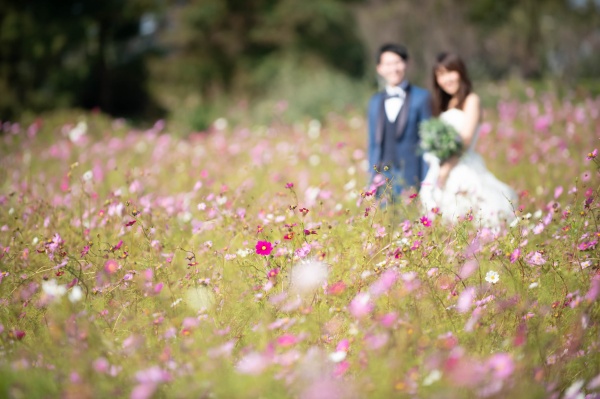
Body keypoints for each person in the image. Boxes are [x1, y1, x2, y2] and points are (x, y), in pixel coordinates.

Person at [419, 52, 517, 227]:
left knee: (470, 217)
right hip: (441, 167)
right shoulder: (444, 104)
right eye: (440, 75)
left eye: (450, 72)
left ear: (460, 73)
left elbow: (465, 139)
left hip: (462, 165)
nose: (446, 79)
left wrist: (447, 168)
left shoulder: (472, 100)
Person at [367, 43, 432, 202]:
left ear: (406, 64)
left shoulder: (422, 97)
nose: (394, 69)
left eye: (397, 62)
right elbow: (372, 143)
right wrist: (371, 179)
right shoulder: (374, 102)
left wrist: (426, 182)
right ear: (380, 69)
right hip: (382, 175)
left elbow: (427, 142)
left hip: (411, 174)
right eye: (388, 64)